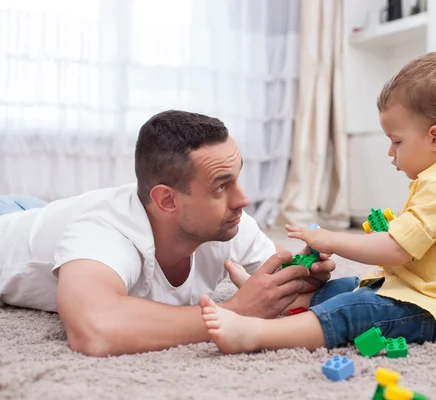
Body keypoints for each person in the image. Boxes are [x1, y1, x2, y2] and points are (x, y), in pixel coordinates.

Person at [198, 52, 436, 354]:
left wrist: (331, 238)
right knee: (346, 287)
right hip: (414, 287)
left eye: (396, 141)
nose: (390, 152)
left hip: (435, 310)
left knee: (353, 309)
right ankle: (274, 300)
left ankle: (256, 333)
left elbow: (396, 250)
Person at [0, 110, 336, 357]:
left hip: (39, 212)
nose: (243, 200)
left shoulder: (229, 223)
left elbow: (281, 281)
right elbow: (95, 330)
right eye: (222, 186)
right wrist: (234, 311)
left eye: (237, 178)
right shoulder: (101, 231)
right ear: (167, 200)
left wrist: (308, 274)